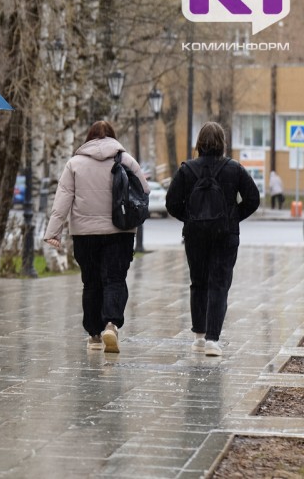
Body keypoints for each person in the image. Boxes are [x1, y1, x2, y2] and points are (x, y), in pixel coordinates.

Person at [43, 120, 149, 354]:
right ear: (113, 136)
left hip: (85, 234)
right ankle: (111, 324)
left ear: (89, 138)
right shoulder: (126, 160)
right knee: (115, 279)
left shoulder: (74, 163)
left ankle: (93, 335)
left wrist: (53, 233)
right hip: (119, 231)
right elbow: (144, 190)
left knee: (90, 282)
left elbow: (62, 200)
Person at [165, 121, 260, 357]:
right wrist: (233, 216)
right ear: (222, 144)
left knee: (198, 282)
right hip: (225, 235)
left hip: (195, 235)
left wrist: (190, 218)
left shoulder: (187, 169)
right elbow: (253, 198)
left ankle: (199, 336)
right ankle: (212, 340)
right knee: (219, 283)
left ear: (199, 143)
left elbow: (171, 203)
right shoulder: (234, 169)